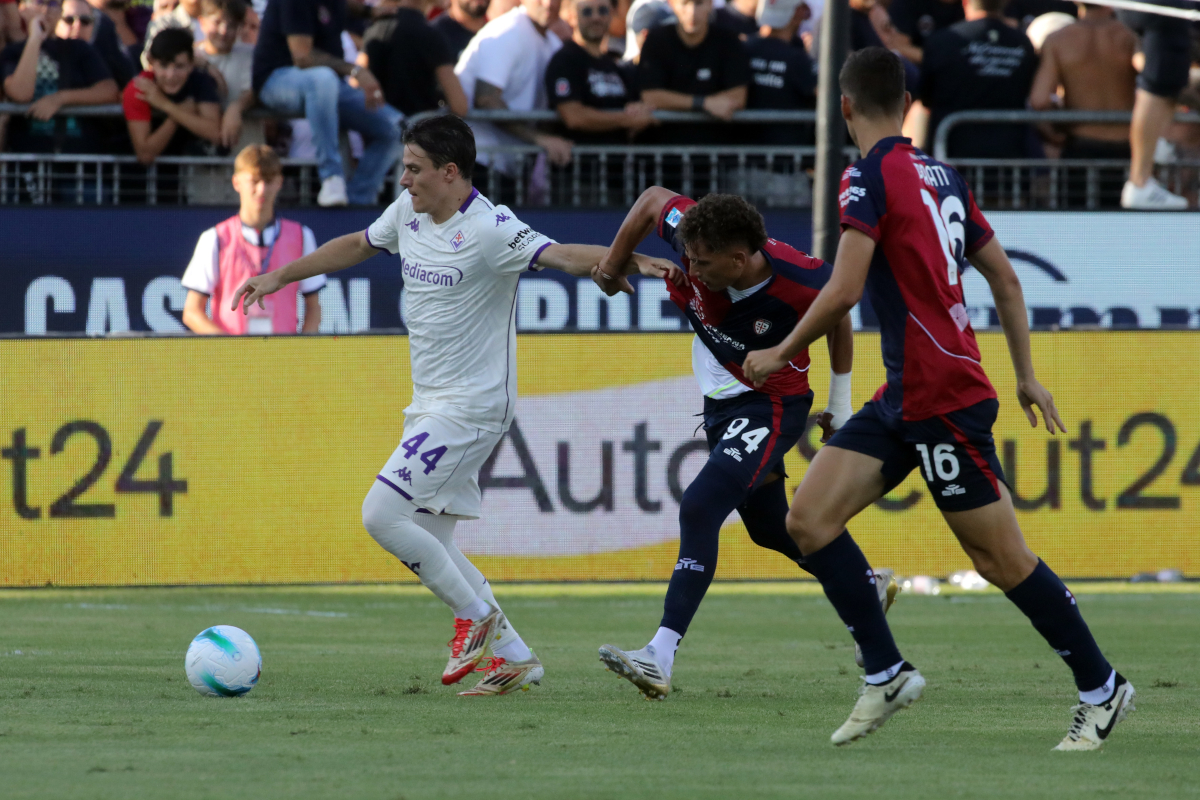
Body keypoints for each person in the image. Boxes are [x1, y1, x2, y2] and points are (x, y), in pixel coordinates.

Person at [742, 47, 1133, 751]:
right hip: (906, 393)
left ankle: (1103, 688)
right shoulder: (942, 175)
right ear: (907, 102)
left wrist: (778, 350)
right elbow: (1007, 281)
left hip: (943, 395)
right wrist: (1026, 373)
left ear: (845, 108)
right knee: (808, 519)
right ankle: (885, 671)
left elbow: (845, 288)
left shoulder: (866, 177)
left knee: (1002, 562)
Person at [228, 114, 666, 697]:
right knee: (434, 540)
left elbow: (561, 256)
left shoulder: (489, 228)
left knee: (381, 515)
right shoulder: (408, 212)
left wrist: (630, 259)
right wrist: (280, 275)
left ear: (450, 172)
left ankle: (475, 617)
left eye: (413, 168)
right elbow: (358, 244)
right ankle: (516, 656)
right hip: (432, 402)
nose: (404, 179)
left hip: (473, 407)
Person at [590, 188, 895, 700]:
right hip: (721, 403)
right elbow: (649, 201)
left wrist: (840, 404)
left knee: (701, 505)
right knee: (770, 528)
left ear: (739, 258)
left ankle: (659, 654)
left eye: (703, 263)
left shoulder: (801, 279)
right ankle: (864, 587)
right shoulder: (698, 234)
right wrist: (613, 265)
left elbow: (841, 312)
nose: (692, 267)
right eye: (688, 255)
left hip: (771, 405)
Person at [252, 0, 401, 206]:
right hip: (276, 80)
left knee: (398, 128)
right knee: (323, 79)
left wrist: (370, 11)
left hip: (328, 85)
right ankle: (331, 177)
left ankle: (359, 200)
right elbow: (302, 56)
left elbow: (345, 6)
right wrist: (356, 70)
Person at [181, 145, 324, 335]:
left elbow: (314, 307)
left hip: (283, 356)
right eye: (254, 181)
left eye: (269, 180)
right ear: (236, 182)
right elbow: (192, 312)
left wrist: (302, 351)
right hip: (232, 359)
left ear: (280, 182)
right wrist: (229, 350)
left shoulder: (301, 236)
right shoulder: (215, 238)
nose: (262, 189)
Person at [1028, 3, 1136, 207]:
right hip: (1126, 150)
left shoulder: (1059, 40)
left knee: (1077, 232)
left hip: (1080, 149)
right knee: (1128, 233)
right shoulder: (1130, 37)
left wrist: (1053, 134)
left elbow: (1039, 100)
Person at [455, 0, 575, 173]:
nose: (548, 4)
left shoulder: (553, 43)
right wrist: (541, 139)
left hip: (506, 166)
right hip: (473, 163)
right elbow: (486, 99)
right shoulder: (507, 31)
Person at [918, 0, 1037, 158]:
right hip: (1008, 159)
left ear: (966, 2)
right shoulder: (1023, 44)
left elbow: (925, 98)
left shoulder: (942, 41)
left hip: (953, 158)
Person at [1, 0, 119, 154]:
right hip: (29, 162)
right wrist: (35, 39)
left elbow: (109, 90)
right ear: (22, 9)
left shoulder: (79, 48)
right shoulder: (11, 53)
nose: (46, 10)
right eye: (39, 2)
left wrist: (60, 98)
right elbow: (20, 94)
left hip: (80, 160)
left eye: (53, 4)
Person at [638, 0, 750, 143]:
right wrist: (704, 103)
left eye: (699, 3)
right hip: (666, 151)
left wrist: (675, 102)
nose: (692, 12)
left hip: (716, 151)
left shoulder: (728, 41)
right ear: (672, 5)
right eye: (685, 3)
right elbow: (650, 96)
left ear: (710, 5)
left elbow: (738, 97)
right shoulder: (657, 40)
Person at [545, 0, 656, 143]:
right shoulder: (564, 60)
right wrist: (626, 119)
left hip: (616, 162)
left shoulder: (615, 66)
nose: (596, 17)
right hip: (581, 162)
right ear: (572, 18)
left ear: (611, 15)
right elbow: (574, 117)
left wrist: (637, 110)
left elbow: (633, 113)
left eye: (603, 11)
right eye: (587, 12)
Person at [1117, 0, 1190, 209]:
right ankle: (1140, 182)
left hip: (1159, 12)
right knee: (1158, 82)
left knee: (1168, 80)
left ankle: (1156, 141)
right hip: (1157, 9)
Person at [123, 27, 220, 164]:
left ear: (191, 64)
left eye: (179, 66)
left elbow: (214, 133)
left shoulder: (200, 81)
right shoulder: (139, 88)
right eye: (163, 66)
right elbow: (145, 155)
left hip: (185, 174)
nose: (171, 75)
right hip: (139, 178)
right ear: (151, 62)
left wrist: (166, 105)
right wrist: (176, 115)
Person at [360, 0, 468, 117]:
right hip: (419, 130)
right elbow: (459, 106)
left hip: (379, 127)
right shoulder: (431, 36)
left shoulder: (374, 28)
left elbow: (356, 81)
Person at [744, 0, 815, 144]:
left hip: (741, 152)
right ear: (798, 13)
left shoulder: (743, 49)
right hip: (786, 154)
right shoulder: (797, 59)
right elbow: (826, 95)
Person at [195, 0, 257, 149]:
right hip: (203, 155)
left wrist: (236, 107)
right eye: (217, 22)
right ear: (202, 22)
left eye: (232, 25)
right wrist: (206, 65)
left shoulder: (251, 55)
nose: (224, 31)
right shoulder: (189, 57)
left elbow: (257, 89)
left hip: (245, 148)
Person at [58, 0, 136, 86]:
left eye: (85, 21)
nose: (77, 26)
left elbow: (124, 84)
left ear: (92, 26)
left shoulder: (102, 52)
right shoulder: (45, 53)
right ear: (55, 22)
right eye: (69, 20)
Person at [887, 0, 963, 62]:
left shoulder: (960, 7)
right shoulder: (908, 4)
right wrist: (941, 59)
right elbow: (898, 48)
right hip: (916, 71)